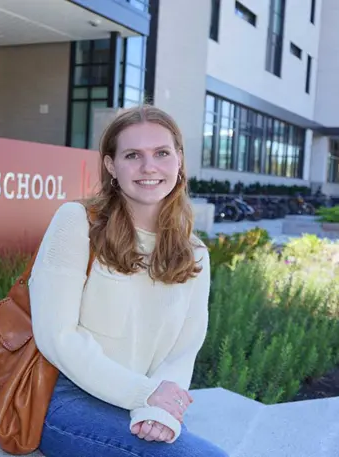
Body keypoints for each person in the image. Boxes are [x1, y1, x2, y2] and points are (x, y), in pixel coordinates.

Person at [28, 105, 228, 457]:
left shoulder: (194, 252)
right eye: (133, 155)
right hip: (66, 397)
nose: (149, 167)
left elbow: (183, 351)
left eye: (162, 153)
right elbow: (57, 336)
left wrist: (156, 407)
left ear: (179, 160)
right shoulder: (76, 222)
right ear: (111, 166)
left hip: (142, 399)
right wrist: (143, 395)